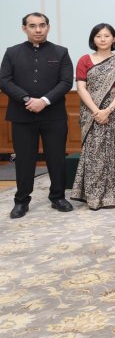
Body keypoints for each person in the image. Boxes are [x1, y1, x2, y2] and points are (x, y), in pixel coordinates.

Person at [1, 13, 74, 218]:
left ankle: (58, 197)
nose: (38, 30)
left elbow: (66, 82)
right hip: (21, 116)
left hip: (54, 115)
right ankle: (21, 201)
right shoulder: (11, 53)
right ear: (24, 28)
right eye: (33, 26)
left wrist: (44, 101)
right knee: (24, 160)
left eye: (42, 25)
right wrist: (26, 99)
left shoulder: (60, 52)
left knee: (56, 158)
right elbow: (5, 81)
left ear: (48, 27)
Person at [70, 23, 115, 210]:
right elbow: (81, 87)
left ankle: (113, 195)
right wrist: (96, 111)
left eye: (106, 36)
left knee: (113, 153)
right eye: (98, 36)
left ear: (114, 39)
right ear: (93, 39)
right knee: (94, 154)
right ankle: (93, 196)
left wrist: (108, 110)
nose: (102, 39)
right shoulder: (85, 60)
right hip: (90, 112)